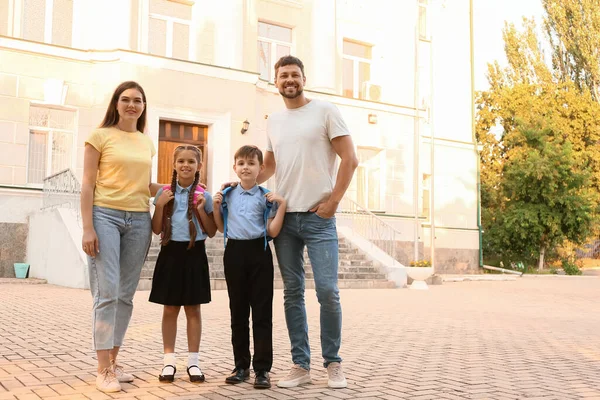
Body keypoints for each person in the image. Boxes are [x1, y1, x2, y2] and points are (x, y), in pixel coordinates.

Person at [260, 56, 359, 389]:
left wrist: (333, 202)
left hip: (319, 219)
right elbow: (270, 167)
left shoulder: (325, 111)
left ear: (304, 78)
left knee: (328, 292)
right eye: (283, 75)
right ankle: (300, 366)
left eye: (295, 74)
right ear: (275, 82)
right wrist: (240, 183)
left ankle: (333, 363)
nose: (289, 79)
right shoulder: (273, 120)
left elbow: (350, 158)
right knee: (292, 293)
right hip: (284, 219)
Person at [81, 81, 163, 393]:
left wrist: (175, 191)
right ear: (116, 103)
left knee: (126, 294)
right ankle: (102, 370)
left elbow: (143, 184)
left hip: (139, 220)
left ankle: (113, 361)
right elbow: (88, 184)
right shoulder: (99, 137)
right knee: (107, 292)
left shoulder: (146, 142)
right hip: (105, 216)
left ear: (143, 107)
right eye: (126, 99)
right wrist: (88, 227)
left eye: (137, 101)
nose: (132, 105)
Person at [212, 145, 287, 389]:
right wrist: (215, 205)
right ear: (235, 167)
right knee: (238, 312)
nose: (246, 167)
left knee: (262, 314)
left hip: (260, 252)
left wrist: (282, 206)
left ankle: (262, 370)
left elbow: (272, 231)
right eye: (241, 163)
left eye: (251, 163)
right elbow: (221, 228)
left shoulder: (266, 197)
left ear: (260, 168)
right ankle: (241, 366)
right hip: (234, 253)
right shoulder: (227, 195)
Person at [150, 145, 217, 384]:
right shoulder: (164, 193)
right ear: (174, 164)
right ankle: (169, 361)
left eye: (191, 161)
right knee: (169, 308)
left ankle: (194, 362)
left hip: (194, 253)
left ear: (199, 166)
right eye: (181, 161)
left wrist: (201, 209)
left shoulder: (204, 196)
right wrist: (159, 205)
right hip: (170, 251)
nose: (186, 165)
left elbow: (211, 232)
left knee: (193, 309)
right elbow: (157, 228)